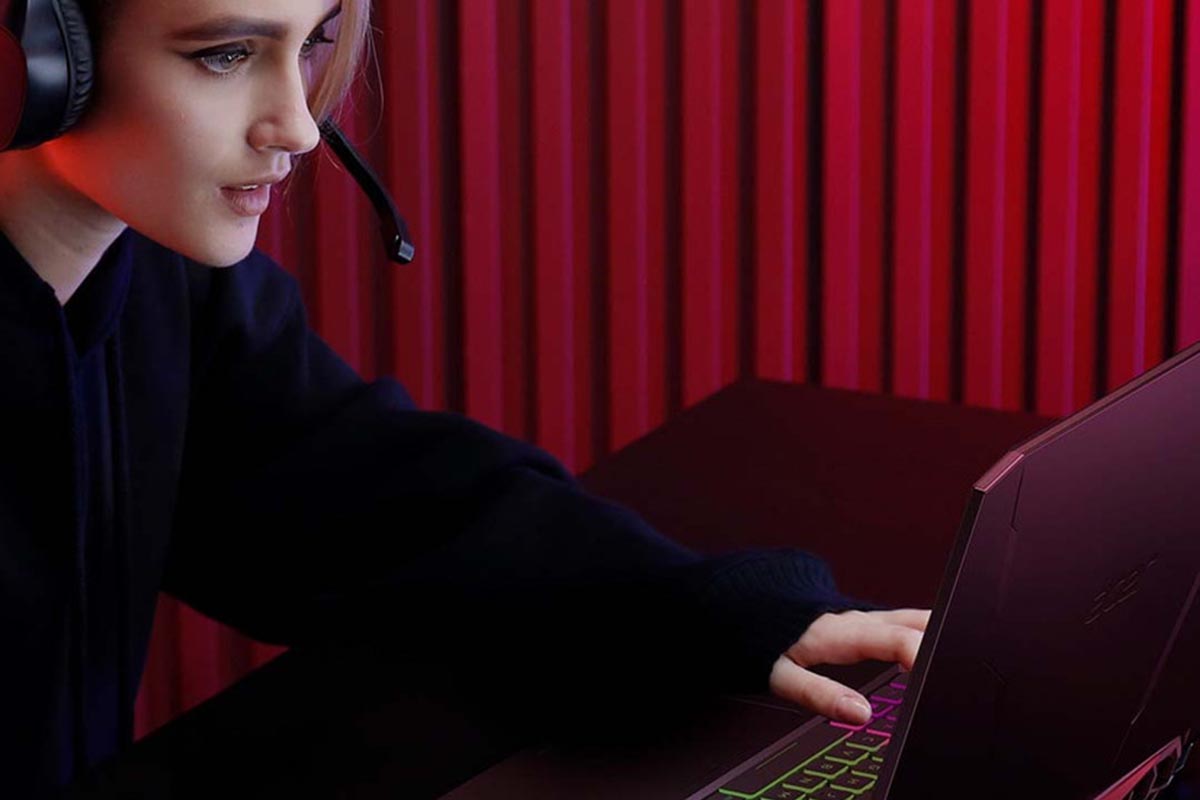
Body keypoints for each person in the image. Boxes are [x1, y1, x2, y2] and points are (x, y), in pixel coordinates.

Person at [0, 0, 930, 795]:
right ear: (42, 60)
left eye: (313, 42)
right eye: (225, 55)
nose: (299, 126)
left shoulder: (169, 286)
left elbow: (381, 504)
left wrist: (712, 613)